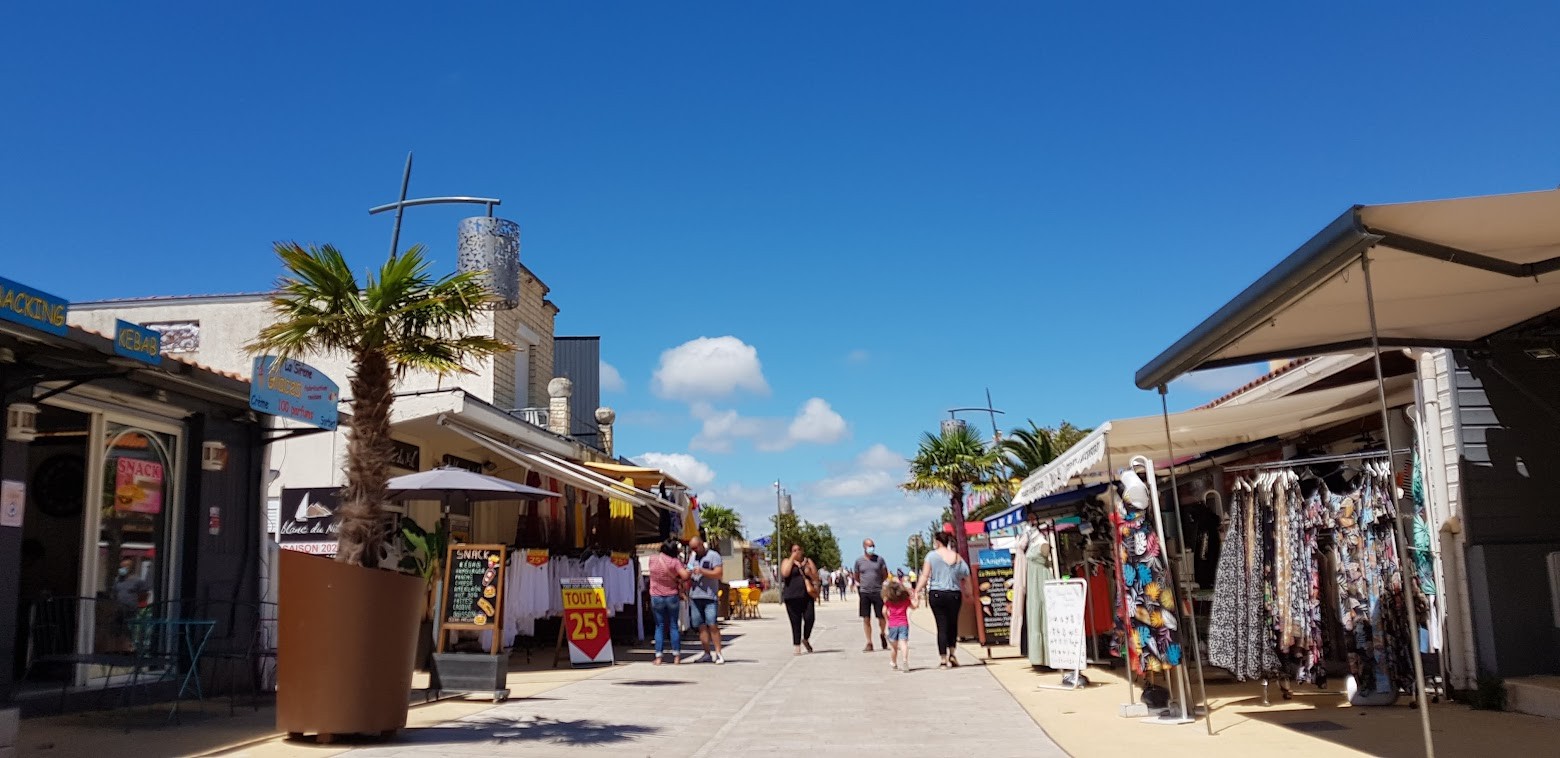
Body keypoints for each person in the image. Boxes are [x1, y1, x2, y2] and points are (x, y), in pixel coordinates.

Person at [914, 531, 973, 669]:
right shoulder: (957, 557)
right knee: (953, 625)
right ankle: (952, 654)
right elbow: (967, 575)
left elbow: (925, 575)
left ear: (937, 541)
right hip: (954, 594)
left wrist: (916, 590)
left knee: (942, 627)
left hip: (937, 594)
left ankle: (943, 659)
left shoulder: (932, 556)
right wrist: (969, 593)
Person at [648, 539, 690, 665]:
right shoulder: (675, 562)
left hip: (656, 596)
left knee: (659, 626)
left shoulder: (652, 559)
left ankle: (659, 657)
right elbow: (685, 576)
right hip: (672, 596)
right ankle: (676, 656)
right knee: (673, 626)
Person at [686, 537, 725, 664]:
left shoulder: (714, 556)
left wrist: (702, 571)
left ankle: (719, 653)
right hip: (695, 596)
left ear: (702, 544)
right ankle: (706, 653)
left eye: (696, 547)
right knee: (701, 626)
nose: (694, 550)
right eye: (692, 548)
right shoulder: (693, 557)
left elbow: (718, 573)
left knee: (712, 624)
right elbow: (688, 570)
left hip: (709, 596)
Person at [852, 538, 891, 652]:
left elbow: (885, 574)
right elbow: (856, 576)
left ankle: (882, 634)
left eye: (873, 545)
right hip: (864, 592)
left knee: (881, 617)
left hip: (878, 591)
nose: (871, 548)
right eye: (869, 546)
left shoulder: (879, 560)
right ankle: (869, 642)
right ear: (864, 546)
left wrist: (879, 582)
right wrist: (863, 583)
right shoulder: (859, 561)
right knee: (866, 618)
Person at [780, 543, 818, 655]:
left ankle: (805, 638)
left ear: (802, 550)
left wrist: (809, 573)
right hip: (791, 596)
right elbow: (785, 573)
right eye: (794, 550)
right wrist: (792, 558)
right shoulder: (786, 561)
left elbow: (816, 577)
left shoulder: (808, 562)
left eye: (798, 550)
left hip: (807, 595)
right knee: (795, 622)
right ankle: (797, 646)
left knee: (810, 618)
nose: (796, 552)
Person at [882, 577, 917, 673]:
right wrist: (917, 599)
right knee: (904, 643)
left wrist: (887, 619)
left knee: (894, 647)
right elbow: (914, 607)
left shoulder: (888, 602)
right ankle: (905, 661)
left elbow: (884, 611)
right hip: (904, 624)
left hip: (893, 625)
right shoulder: (905, 601)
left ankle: (893, 663)